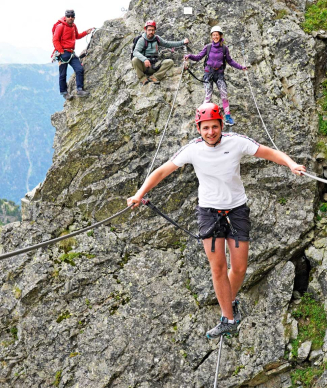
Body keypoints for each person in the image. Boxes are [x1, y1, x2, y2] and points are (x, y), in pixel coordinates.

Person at [127, 103, 306, 339]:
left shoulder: (237, 142)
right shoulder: (192, 149)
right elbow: (161, 172)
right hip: (209, 212)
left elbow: (269, 152)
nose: (211, 132)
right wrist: (139, 195)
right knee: (219, 267)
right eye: (206, 128)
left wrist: (291, 164)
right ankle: (228, 318)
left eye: (214, 126)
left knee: (240, 267)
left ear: (221, 125)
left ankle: (230, 301)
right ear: (198, 129)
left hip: (237, 210)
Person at [184, 26, 247, 126]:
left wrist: (241, 67)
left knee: (224, 95)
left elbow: (230, 61)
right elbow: (198, 57)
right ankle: (203, 117)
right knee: (208, 95)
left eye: (217, 35)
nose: (215, 37)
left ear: (220, 36)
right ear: (211, 36)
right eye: (213, 35)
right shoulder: (208, 47)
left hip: (219, 74)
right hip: (208, 73)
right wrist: (190, 56)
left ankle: (227, 117)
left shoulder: (224, 48)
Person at [132, 20, 189, 86]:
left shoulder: (157, 39)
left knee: (169, 62)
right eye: (149, 30)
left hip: (154, 65)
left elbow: (168, 44)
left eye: (153, 30)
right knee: (135, 60)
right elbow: (135, 52)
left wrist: (182, 42)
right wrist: (145, 59)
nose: (151, 32)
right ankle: (142, 78)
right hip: (144, 66)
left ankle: (154, 77)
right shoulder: (142, 40)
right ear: (145, 29)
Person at [52, 9, 94, 99]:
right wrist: (61, 51)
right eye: (68, 16)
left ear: (74, 17)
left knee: (79, 69)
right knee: (63, 74)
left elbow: (77, 36)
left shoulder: (73, 26)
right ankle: (64, 93)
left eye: (72, 16)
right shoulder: (60, 26)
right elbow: (55, 40)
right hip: (63, 53)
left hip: (71, 52)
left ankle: (79, 89)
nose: (70, 18)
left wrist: (86, 32)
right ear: (65, 17)